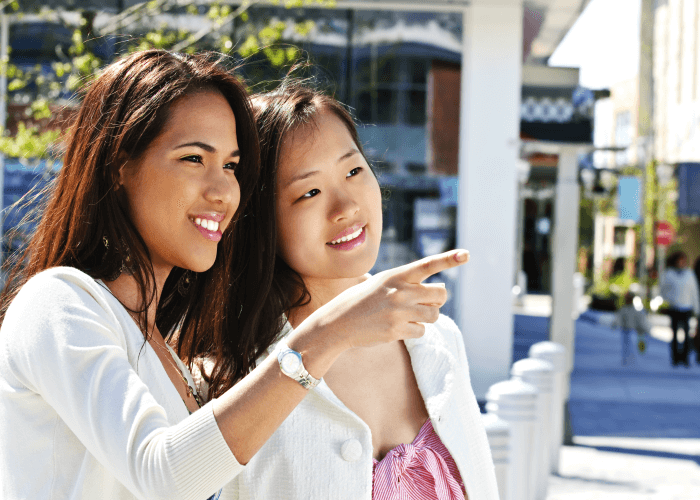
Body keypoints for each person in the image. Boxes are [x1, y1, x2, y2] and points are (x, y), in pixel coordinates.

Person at [0, 50, 469, 500]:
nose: (224, 189)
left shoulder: (169, 355)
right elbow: (164, 475)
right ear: (120, 166)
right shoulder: (56, 303)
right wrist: (328, 333)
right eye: (193, 159)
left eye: (231, 166)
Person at [210, 83, 498, 500]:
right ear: (261, 220)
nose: (346, 206)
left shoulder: (439, 341)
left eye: (353, 170)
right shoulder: (234, 373)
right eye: (309, 192)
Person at [660, 251, 700, 366]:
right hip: (674, 308)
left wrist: (697, 309)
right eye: (680, 260)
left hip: (686, 308)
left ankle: (685, 358)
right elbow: (663, 290)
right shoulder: (669, 274)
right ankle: (675, 358)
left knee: (687, 334)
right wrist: (666, 301)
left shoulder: (689, 274)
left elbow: (694, 292)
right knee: (675, 334)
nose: (682, 263)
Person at [611, 292, 650, 365]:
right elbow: (618, 319)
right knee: (626, 344)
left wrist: (644, 329)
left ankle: (629, 357)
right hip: (626, 330)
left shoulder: (633, 310)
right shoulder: (625, 309)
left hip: (632, 331)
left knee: (630, 344)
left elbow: (640, 321)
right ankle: (627, 357)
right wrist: (614, 325)